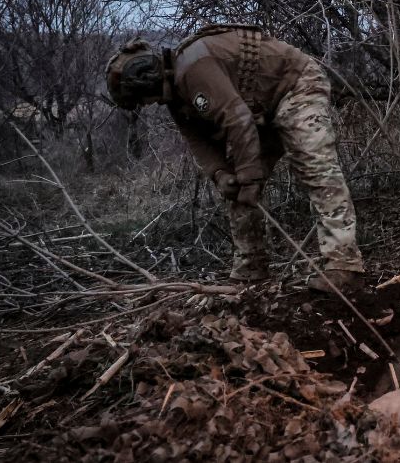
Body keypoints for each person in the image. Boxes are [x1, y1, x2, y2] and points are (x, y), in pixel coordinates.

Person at [104, 24, 364, 289]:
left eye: (142, 99)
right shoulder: (175, 96)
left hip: (295, 85)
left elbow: (238, 121)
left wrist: (250, 178)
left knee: (317, 168)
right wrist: (221, 173)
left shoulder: (193, 68)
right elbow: (199, 141)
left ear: (144, 80)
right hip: (258, 110)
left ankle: (344, 265)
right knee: (236, 188)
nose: (148, 104)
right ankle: (251, 269)